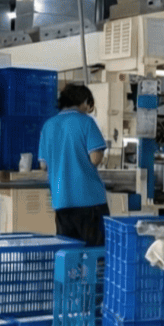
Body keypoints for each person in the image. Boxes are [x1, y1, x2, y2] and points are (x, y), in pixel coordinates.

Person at [38, 84, 109, 246]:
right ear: (83, 101)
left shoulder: (48, 126)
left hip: (61, 200)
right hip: (89, 200)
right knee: (95, 253)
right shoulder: (86, 122)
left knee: (69, 253)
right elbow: (95, 159)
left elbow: (43, 165)